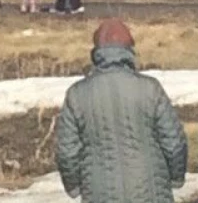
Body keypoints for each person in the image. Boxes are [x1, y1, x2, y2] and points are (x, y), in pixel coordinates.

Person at [55, 19, 188, 203]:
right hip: (150, 190)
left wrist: (74, 185)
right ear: (129, 49)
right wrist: (175, 177)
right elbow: (173, 141)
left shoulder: (77, 95)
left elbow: (67, 151)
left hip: (99, 191)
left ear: (96, 51)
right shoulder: (150, 88)